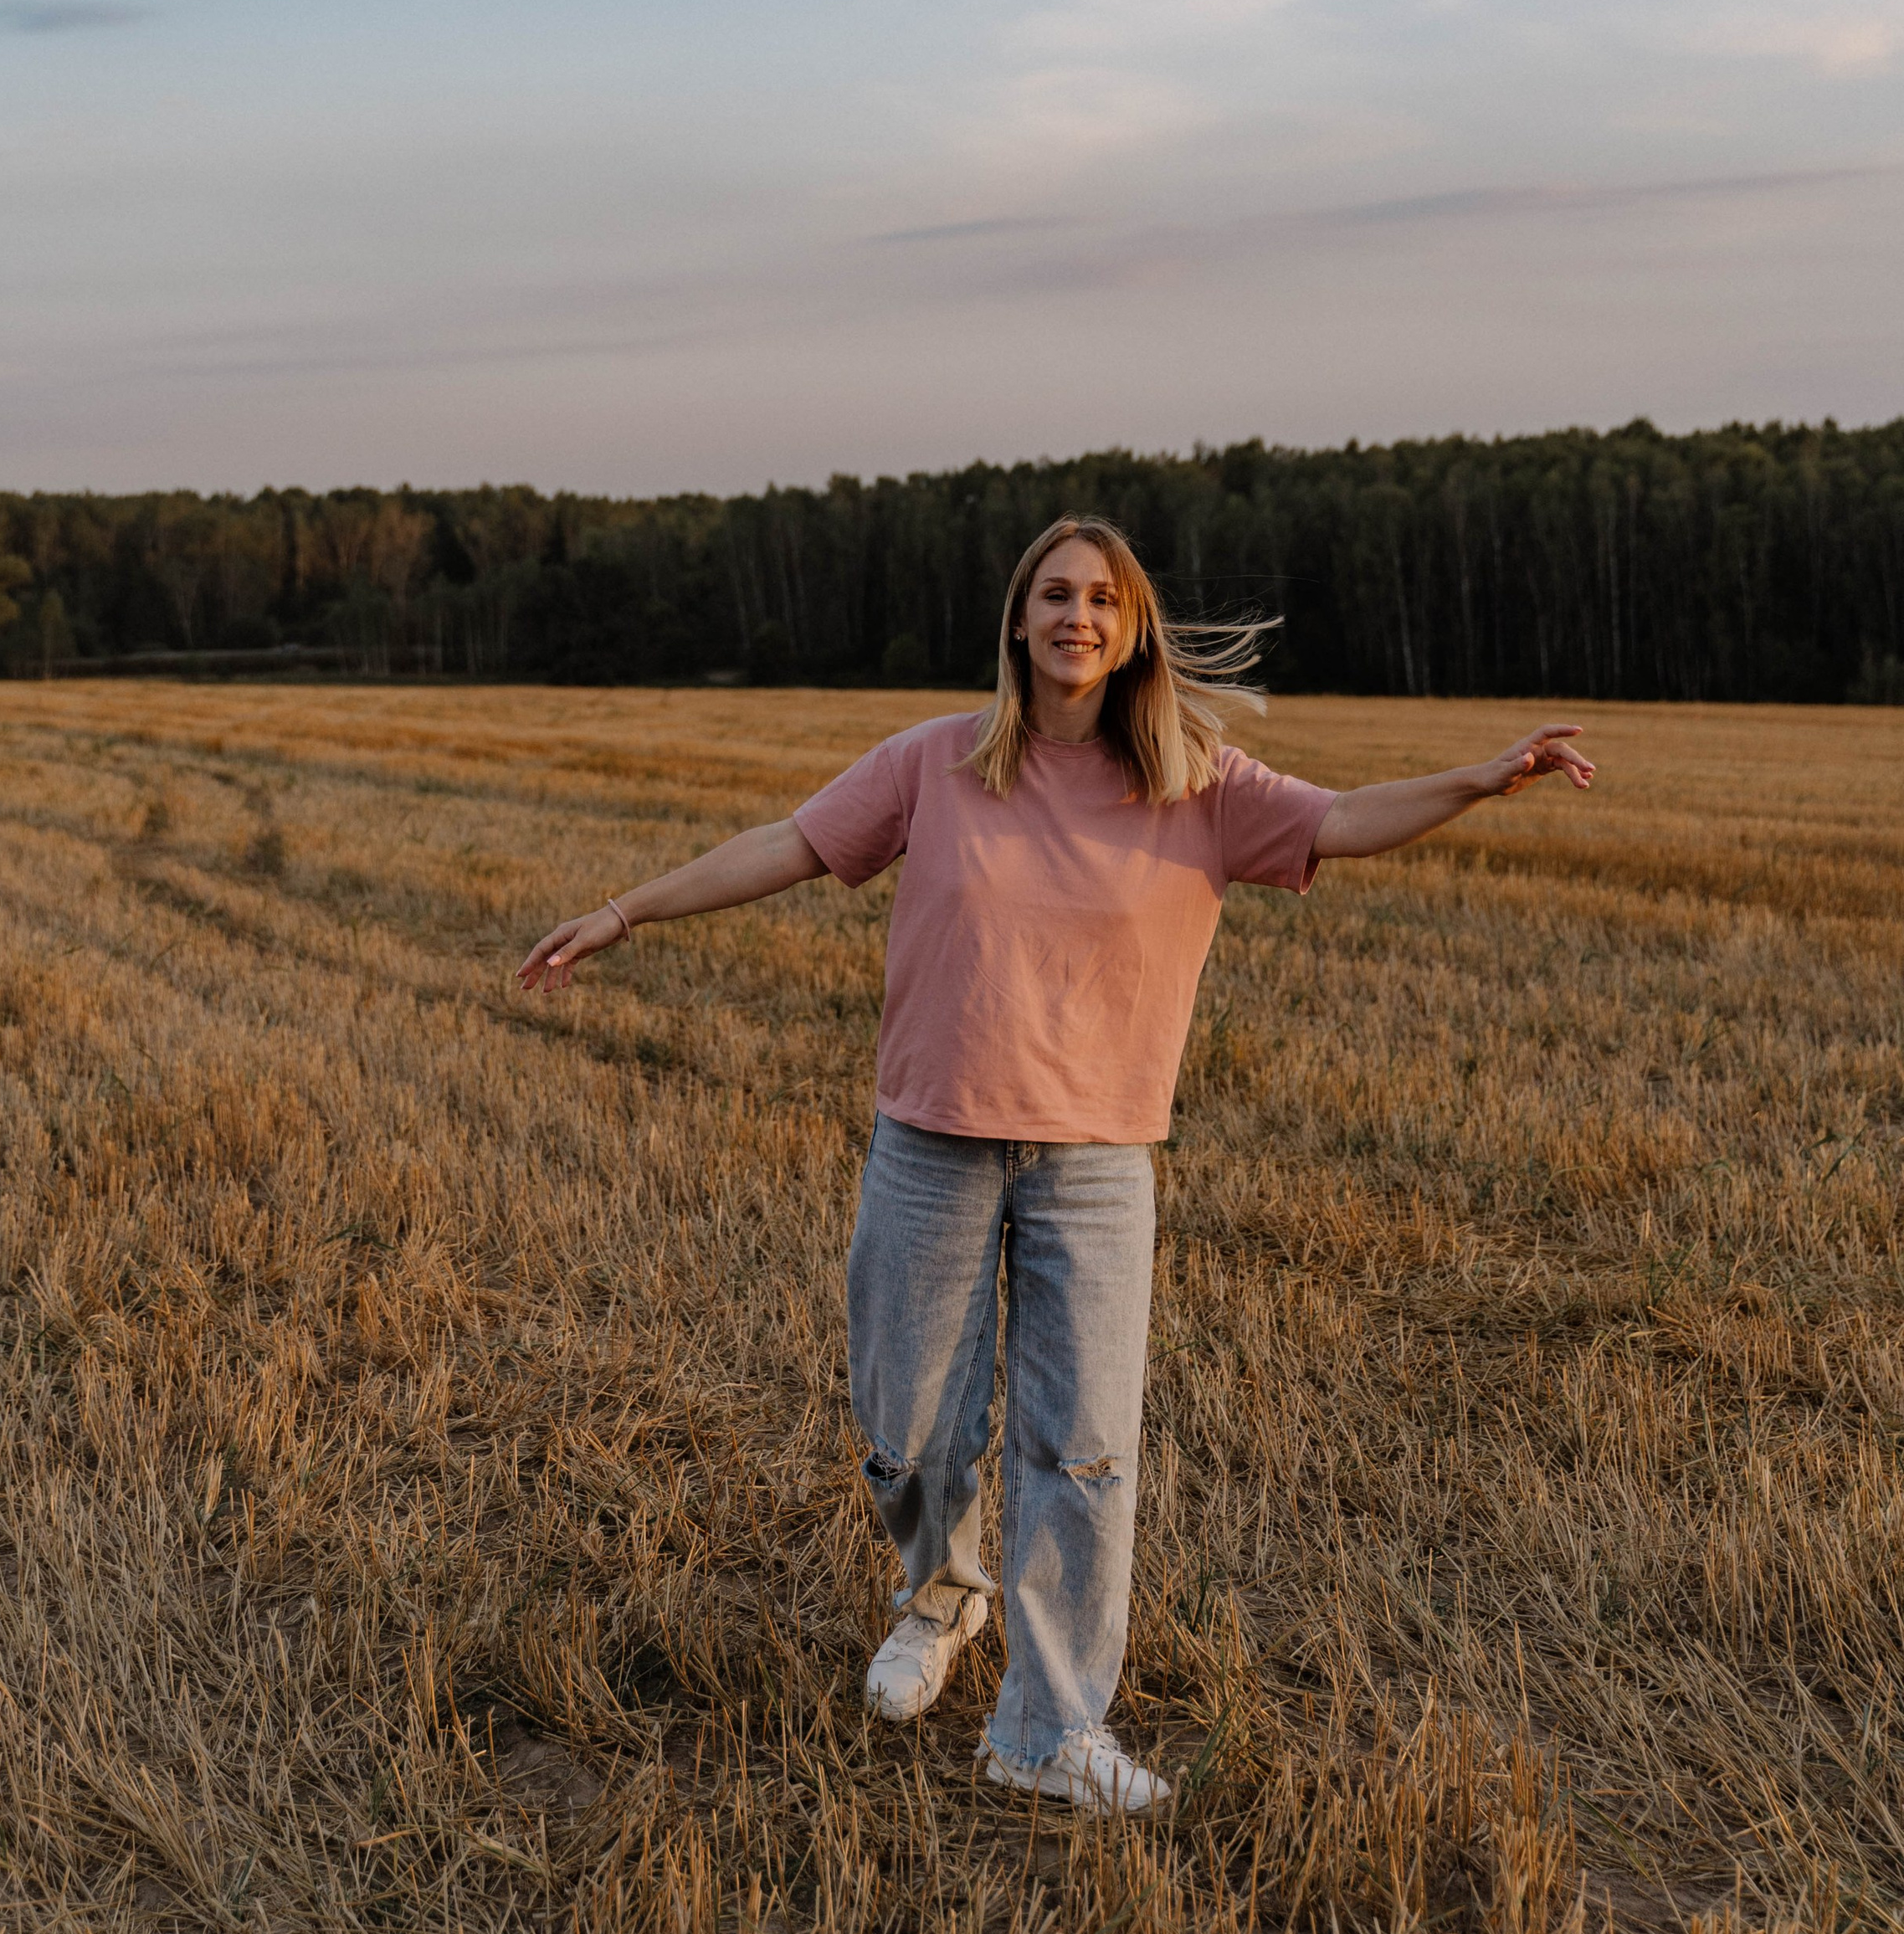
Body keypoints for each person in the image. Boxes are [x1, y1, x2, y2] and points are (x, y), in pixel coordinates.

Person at [517, 516, 1594, 1815]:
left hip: (1095, 1162)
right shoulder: (935, 764)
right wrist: (627, 911)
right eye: (1053, 593)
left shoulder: (1197, 782)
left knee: (1083, 1450)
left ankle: (1048, 1729)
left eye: (1101, 598)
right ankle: (943, 1597)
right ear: (1018, 619)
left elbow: (1351, 819)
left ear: (1130, 628)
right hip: (932, 1141)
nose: (1076, 614)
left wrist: (1482, 778)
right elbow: (791, 847)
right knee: (903, 1432)